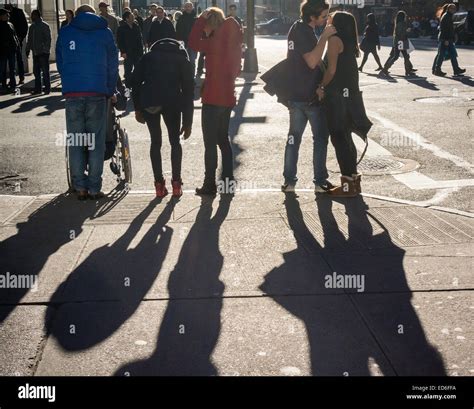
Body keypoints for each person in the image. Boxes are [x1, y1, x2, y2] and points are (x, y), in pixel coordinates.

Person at [56, 5, 118, 200]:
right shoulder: (104, 32)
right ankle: (93, 188)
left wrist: (69, 82)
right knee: (96, 143)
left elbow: (60, 62)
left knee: (76, 142)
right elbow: (112, 64)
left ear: (77, 14)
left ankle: (79, 187)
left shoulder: (65, 32)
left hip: (73, 94)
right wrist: (109, 89)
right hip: (97, 92)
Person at [281, 0, 336, 194]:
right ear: (312, 17)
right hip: (309, 95)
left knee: (293, 138)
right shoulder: (304, 31)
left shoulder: (297, 28)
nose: (327, 18)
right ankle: (320, 181)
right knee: (320, 139)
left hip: (296, 93)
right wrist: (325, 37)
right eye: (323, 16)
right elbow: (312, 61)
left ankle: (289, 181)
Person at [189, 7, 243, 195]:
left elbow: (193, 43)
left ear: (210, 23)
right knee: (223, 141)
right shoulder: (230, 43)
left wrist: (199, 21)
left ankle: (209, 184)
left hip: (212, 98)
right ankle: (228, 182)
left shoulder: (213, 43)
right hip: (227, 97)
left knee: (210, 144)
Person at [132, 38, 194, 198]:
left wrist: (137, 108)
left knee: (155, 142)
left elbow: (135, 82)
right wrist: (188, 122)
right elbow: (188, 92)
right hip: (172, 102)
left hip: (150, 101)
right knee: (175, 141)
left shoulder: (147, 57)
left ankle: (159, 185)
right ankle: (176, 184)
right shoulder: (182, 59)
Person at [317, 11, 365, 197]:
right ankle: (354, 183)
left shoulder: (334, 40)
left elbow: (331, 71)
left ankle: (347, 187)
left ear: (337, 23)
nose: (327, 19)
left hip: (336, 96)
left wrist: (321, 85)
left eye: (330, 17)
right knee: (346, 137)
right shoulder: (350, 41)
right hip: (350, 95)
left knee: (338, 138)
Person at [432, 3, 466, 77]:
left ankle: (456, 69)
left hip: (448, 38)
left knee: (452, 55)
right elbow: (444, 29)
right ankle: (437, 70)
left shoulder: (448, 16)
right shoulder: (446, 16)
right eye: (453, 9)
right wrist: (446, 39)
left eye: (455, 9)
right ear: (449, 9)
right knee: (441, 55)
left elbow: (449, 29)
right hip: (445, 39)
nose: (454, 10)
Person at [380, 11, 416, 77]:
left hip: (398, 41)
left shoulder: (398, 23)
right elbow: (401, 33)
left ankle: (386, 68)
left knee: (398, 56)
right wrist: (407, 31)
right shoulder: (402, 23)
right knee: (403, 56)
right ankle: (407, 70)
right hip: (401, 41)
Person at [25, 9, 51, 95]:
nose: (31, 17)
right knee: (36, 72)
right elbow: (29, 39)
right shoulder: (32, 27)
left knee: (45, 72)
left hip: (43, 53)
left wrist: (45, 50)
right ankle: (38, 89)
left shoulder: (44, 25)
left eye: (33, 15)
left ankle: (47, 89)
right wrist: (28, 49)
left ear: (37, 16)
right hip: (35, 52)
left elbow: (48, 39)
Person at [117, 10, 143, 88]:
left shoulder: (136, 26)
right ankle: (128, 85)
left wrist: (141, 51)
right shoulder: (121, 28)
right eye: (131, 16)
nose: (133, 17)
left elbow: (139, 39)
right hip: (127, 52)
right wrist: (123, 52)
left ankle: (137, 84)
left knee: (138, 68)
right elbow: (120, 41)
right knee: (128, 69)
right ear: (127, 18)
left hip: (137, 51)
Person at [4, 4, 27, 85]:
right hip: (7, 43)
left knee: (18, 60)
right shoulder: (4, 13)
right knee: (11, 62)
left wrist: (21, 37)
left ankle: (21, 77)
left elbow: (24, 26)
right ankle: (12, 80)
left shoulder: (18, 12)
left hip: (17, 41)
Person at [0, 8, 19, 93]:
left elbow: (15, 35)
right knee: (2, 69)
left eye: (8, 14)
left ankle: (13, 86)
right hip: (2, 51)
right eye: (6, 14)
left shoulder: (10, 24)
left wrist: (17, 44)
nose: (8, 16)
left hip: (11, 50)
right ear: (1, 16)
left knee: (12, 69)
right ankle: (3, 86)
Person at [176, 2, 197, 78]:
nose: (188, 8)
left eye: (189, 6)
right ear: (184, 8)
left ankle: (191, 78)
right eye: (186, 6)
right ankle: (183, 77)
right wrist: (178, 41)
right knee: (183, 61)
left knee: (192, 61)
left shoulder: (196, 18)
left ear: (192, 7)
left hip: (193, 43)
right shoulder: (181, 18)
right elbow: (177, 30)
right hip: (183, 43)